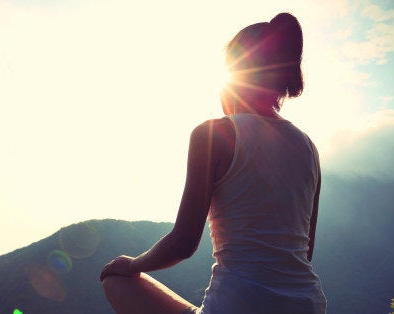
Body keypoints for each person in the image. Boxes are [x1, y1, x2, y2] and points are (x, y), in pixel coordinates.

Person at [99, 12, 327, 314]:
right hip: (308, 305)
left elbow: (183, 242)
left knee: (116, 281)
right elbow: (304, 251)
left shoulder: (215, 134)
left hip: (237, 307)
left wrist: (133, 264)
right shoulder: (308, 148)